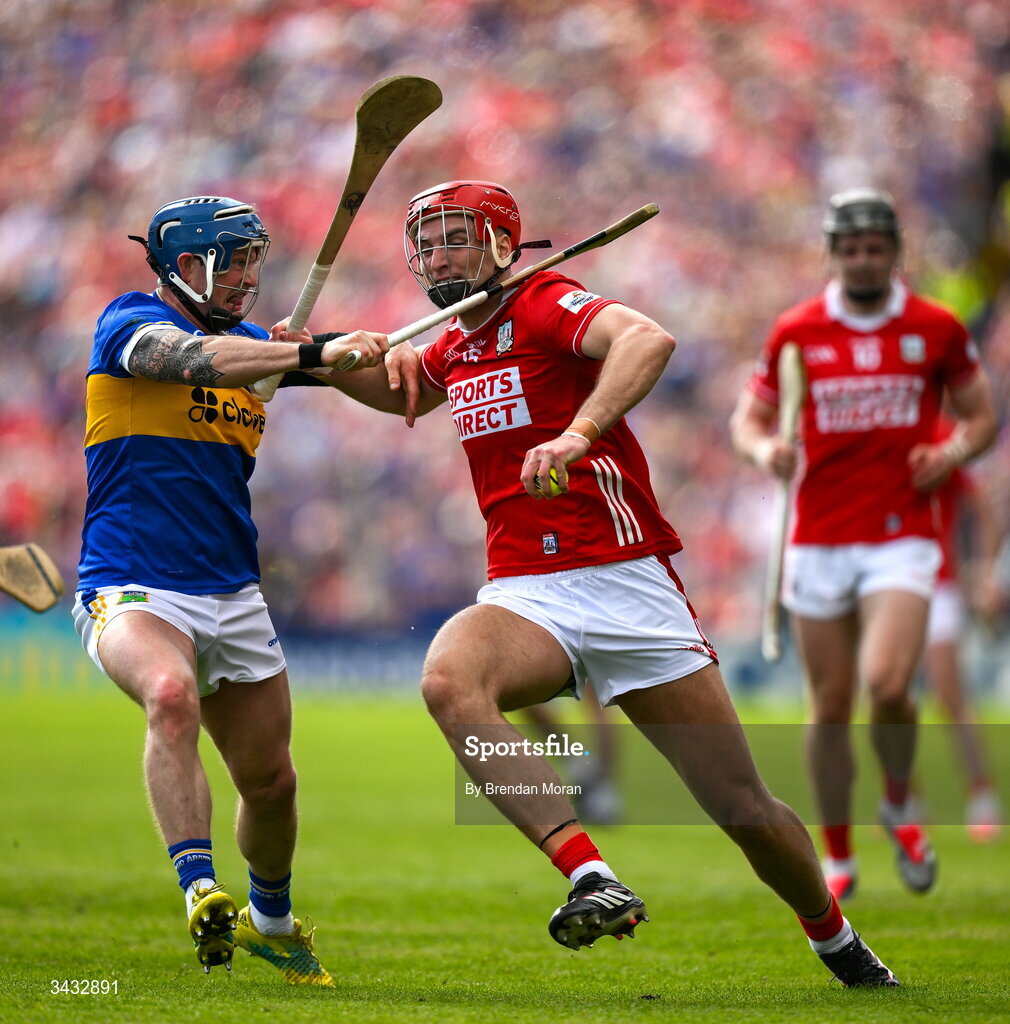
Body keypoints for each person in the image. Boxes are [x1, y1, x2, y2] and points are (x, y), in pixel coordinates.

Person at [382, 179, 901, 987]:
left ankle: (838, 942)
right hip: (528, 587)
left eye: (455, 235)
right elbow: (390, 386)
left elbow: (648, 340)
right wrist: (309, 357)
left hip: (626, 582)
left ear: (500, 244)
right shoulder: (454, 344)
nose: (436, 254)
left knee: (743, 810)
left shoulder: (549, 300)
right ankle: (590, 873)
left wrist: (576, 434)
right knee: (451, 680)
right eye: (427, 241)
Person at [72, 195, 399, 981]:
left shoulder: (259, 345)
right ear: (184, 267)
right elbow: (193, 362)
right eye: (234, 260)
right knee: (169, 694)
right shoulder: (127, 323)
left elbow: (396, 393)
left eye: (255, 259)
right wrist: (303, 354)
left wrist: (366, 354)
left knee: (273, 782)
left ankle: (272, 920)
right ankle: (200, 888)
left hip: (232, 590)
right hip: (131, 580)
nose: (249, 275)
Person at [730, 188, 998, 902]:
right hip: (817, 539)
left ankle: (901, 800)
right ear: (832, 253)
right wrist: (767, 454)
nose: (861, 260)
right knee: (830, 703)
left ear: (894, 252)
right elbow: (748, 422)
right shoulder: (798, 330)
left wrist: (952, 455)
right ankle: (840, 848)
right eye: (849, 249)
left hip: (900, 537)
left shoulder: (935, 326)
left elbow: (981, 417)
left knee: (887, 685)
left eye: (874, 247)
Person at [923, 425, 1004, 843]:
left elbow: (982, 508)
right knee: (885, 692)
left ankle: (981, 791)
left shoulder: (941, 435)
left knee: (949, 692)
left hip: (936, 582)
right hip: (882, 585)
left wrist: (986, 570)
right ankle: (903, 802)